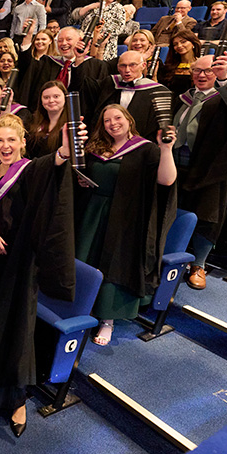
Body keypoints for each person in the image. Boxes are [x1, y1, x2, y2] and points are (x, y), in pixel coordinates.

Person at [0, 113, 76, 429]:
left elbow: (50, 169)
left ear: (23, 142)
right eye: (0, 141)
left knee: (16, 329)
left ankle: (17, 398)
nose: (6, 146)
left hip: (18, 266)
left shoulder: (29, 172)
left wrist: (62, 153)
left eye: (12, 140)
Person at [76, 104, 177, 346]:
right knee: (85, 259)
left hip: (126, 218)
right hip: (93, 212)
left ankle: (107, 320)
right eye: (107, 120)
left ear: (129, 119)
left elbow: (166, 180)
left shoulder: (146, 149)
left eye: (117, 117)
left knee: (113, 266)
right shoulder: (97, 147)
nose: (112, 123)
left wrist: (166, 149)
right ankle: (80, 311)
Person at [171, 53, 227, 289]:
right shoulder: (184, 98)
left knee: (207, 218)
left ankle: (199, 264)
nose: (201, 75)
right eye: (197, 70)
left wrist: (225, 77)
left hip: (212, 170)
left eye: (208, 70)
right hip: (178, 166)